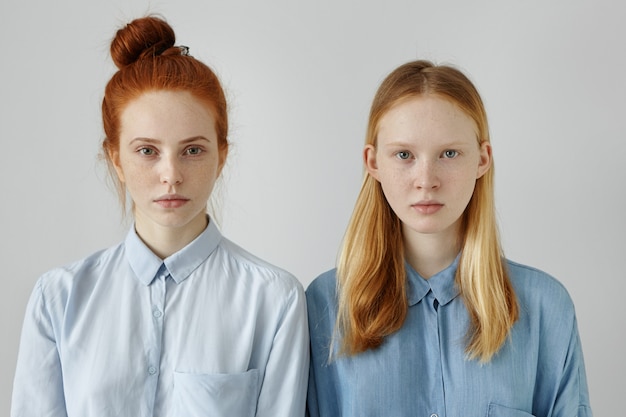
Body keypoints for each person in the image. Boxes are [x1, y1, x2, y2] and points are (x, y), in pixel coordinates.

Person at [11, 16, 308, 417]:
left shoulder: (274, 300)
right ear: (115, 158)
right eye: (147, 151)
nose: (171, 175)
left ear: (222, 156)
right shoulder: (58, 300)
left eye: (193, 150)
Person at [306, 60, 592, 416]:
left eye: (449, 153)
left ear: (482, 159)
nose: (426, 180)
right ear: (373, 161)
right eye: (404, 155)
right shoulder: (322, 307)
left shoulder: (546, 308)